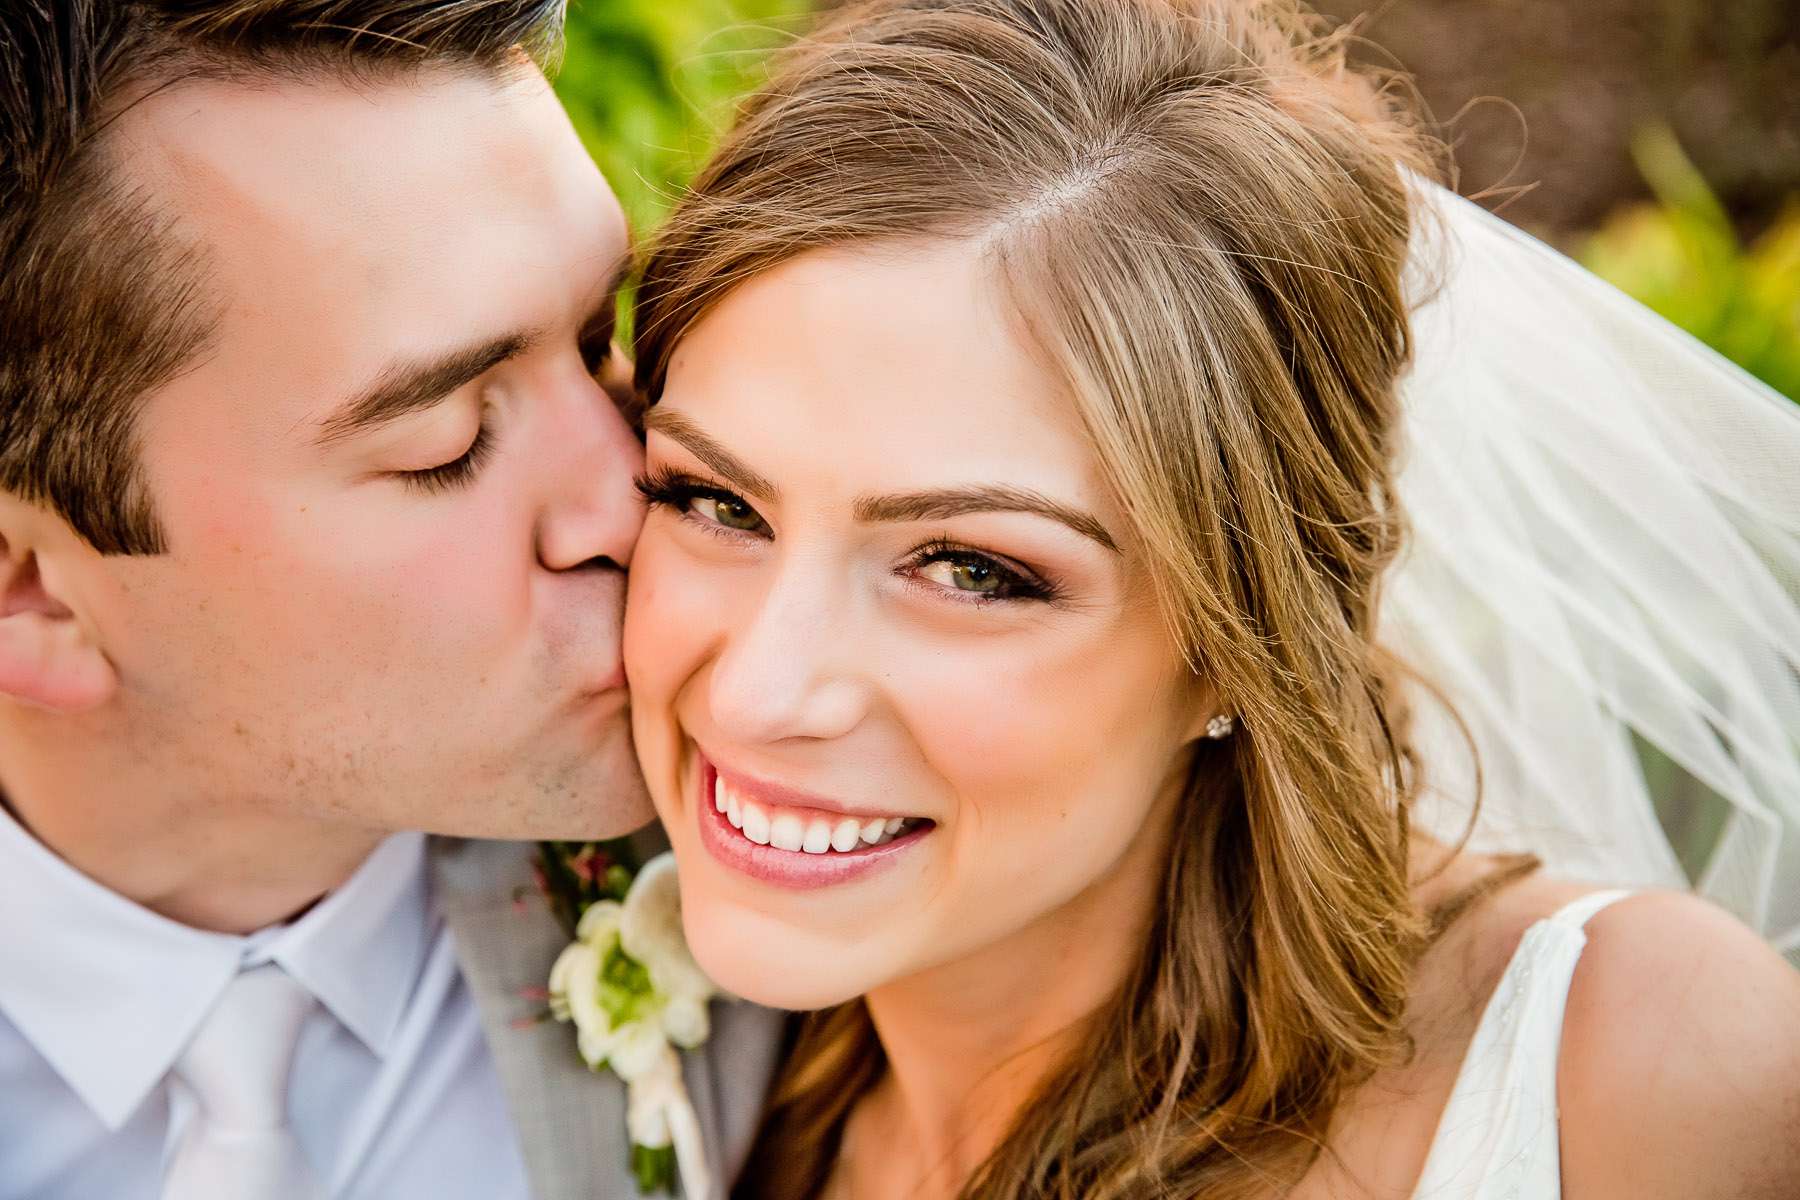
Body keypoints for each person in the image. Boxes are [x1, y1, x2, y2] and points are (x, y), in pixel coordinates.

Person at [621, 1, 1800, 1197]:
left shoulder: (1625, 1071)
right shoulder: (655, 1067)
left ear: (1243, 642)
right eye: (716, 503)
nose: (761, 690)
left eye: (972, 569)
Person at [0, 3, 776, 1198]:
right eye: (446, 443)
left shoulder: (797, 885)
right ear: (32, 593)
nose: (630, 506)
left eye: (596, 340)